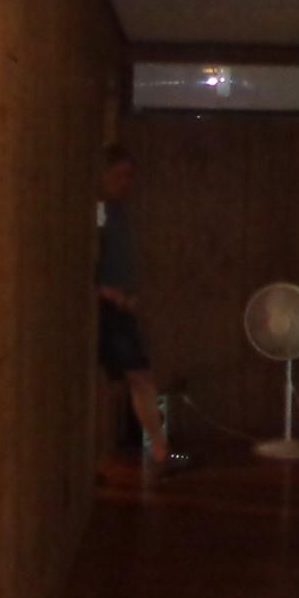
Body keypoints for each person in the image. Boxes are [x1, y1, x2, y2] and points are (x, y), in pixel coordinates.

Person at [96, 144, 179, 472]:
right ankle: (159, 449)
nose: (126, 183)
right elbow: (84, 263)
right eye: (120, 175)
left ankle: (157, 448)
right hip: (109, 308)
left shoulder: (116, 210)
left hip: (120, 306)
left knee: (136, 378)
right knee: (139, 377)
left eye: (130, 176)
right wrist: (114, 296)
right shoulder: (99, 210)